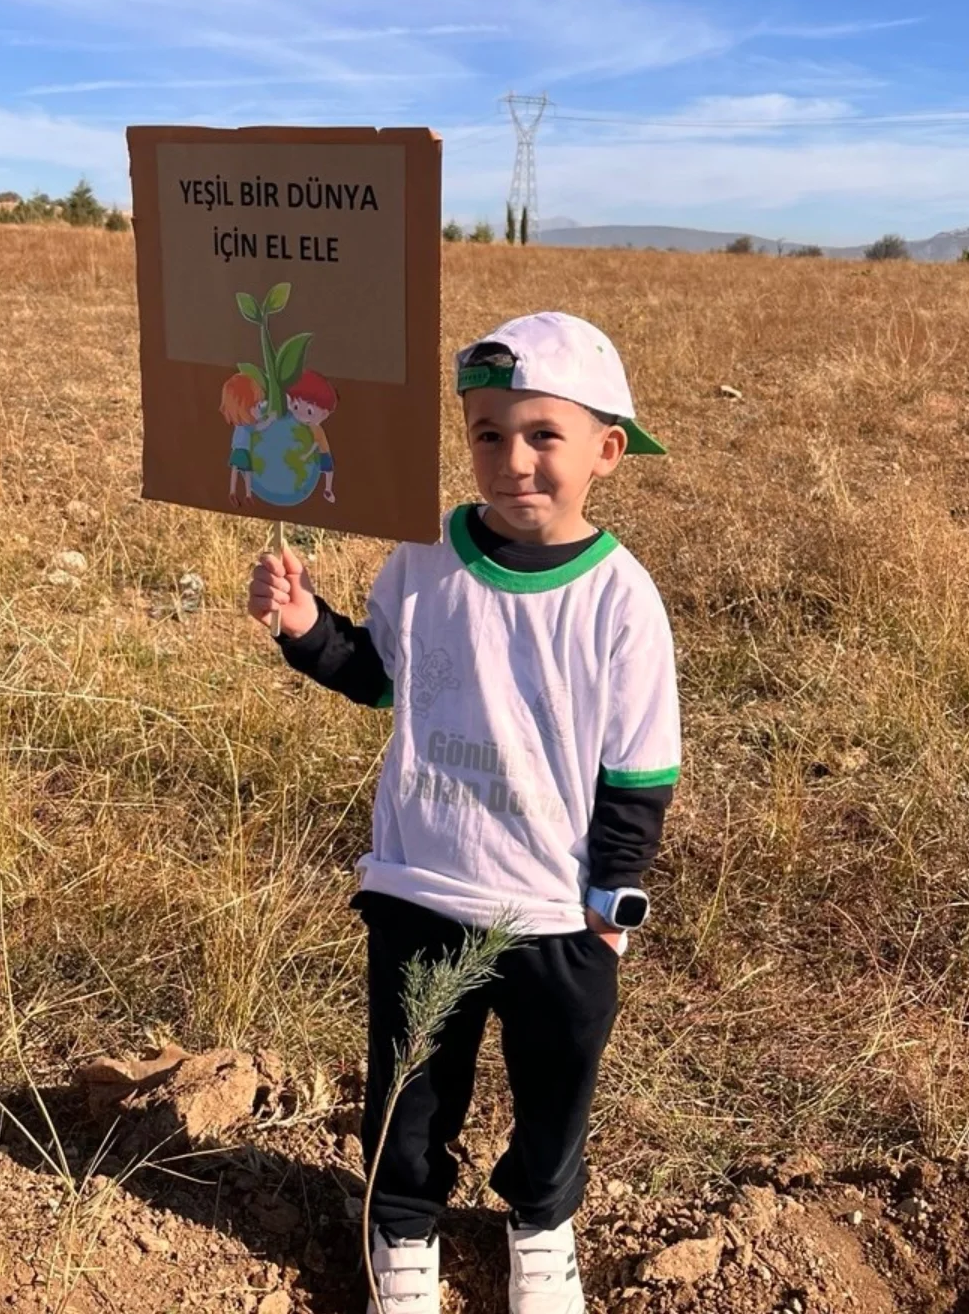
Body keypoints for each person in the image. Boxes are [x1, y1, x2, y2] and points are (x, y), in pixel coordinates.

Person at [248, 312, 681, 1314]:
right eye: (489, 434)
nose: (513, 460)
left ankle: (540, 1225)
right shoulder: (422, 558)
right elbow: (379, 674)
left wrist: (609, 908)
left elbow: (639, 770)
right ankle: (401, 1235)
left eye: (544, 436)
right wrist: (307, 627)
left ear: (607, 451)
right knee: (409, 1090)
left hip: (554, 916)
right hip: (421, 887)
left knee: (554, 1089)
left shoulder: (621, 600)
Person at [285, 369, 338, 503]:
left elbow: (316, 444)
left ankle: (327, 489)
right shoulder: (302, 426)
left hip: (322, 452)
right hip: (308, 455)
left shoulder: (315, 428)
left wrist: (306, 455)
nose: (301, 415)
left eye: (309, 411)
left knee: (327, 470)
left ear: (325, 414)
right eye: (296, 406)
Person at [220, 372, 272, 505]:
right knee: (244, 471)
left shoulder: (240, 423)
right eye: (256, 405)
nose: (259, 409)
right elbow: (260, 427)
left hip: (239, 449)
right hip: (242, 450)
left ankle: (239, 493)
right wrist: (270, 419)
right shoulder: (246, 425)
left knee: (237, 470)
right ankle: (243, 493)